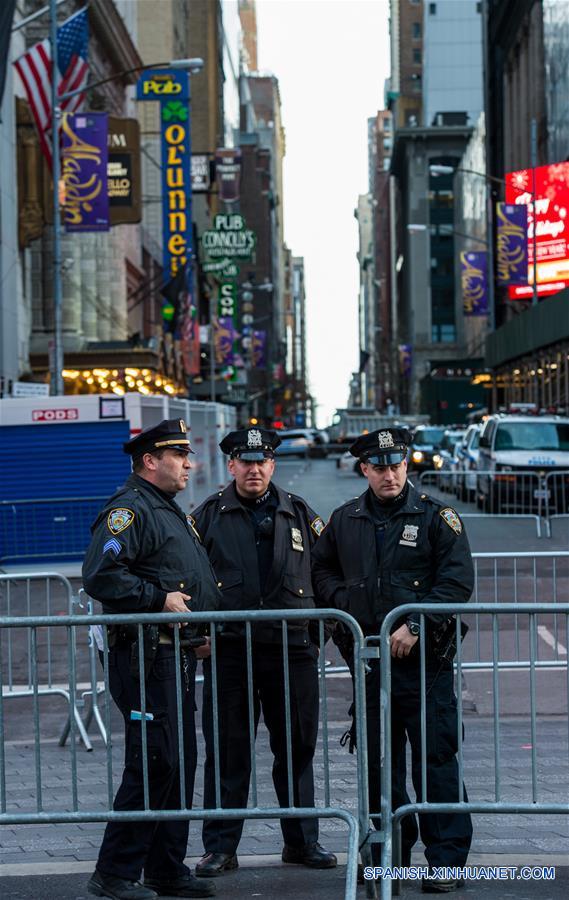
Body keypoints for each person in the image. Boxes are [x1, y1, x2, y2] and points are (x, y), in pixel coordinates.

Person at [312, 427, 473, 894]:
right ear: (364, 469)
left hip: (427, 670)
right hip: (370, 669)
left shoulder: (436, 517)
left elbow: (457, 581)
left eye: (396, 465)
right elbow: (320, 568)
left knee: (436, 763)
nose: (389, 474)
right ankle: (389, 862)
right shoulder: (346, 520)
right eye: (379, 467)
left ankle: (447, 864)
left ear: (407, 464)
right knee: (380, 771)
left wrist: (416, 623)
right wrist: (345, 600)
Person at [83, 419, 220, 900]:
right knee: (153, 762)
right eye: (179, 455)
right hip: (144, 659)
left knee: (176, 763)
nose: (189, 463)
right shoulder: (130, 510)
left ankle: (165, 867)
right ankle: (115, 875)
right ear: (149, 461)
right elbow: (101, 575)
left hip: (174, 657)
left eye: (187, 454)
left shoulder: (166, 509)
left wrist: (199, 632)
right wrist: (157, 599)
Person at [192, 427, 337, 878]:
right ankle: (220, 848)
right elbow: (187, 577)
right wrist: (198, 636)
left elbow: (331, 572)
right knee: (227, 750)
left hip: (291, 650)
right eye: (245, 462)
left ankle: (301, 842)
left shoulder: (299, 512)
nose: (254, 470)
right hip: (230, 651)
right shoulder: (207, 517)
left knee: (296, 749)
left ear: (273, 465)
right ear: (231, 465)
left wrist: (319, 634)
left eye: (262, 462)